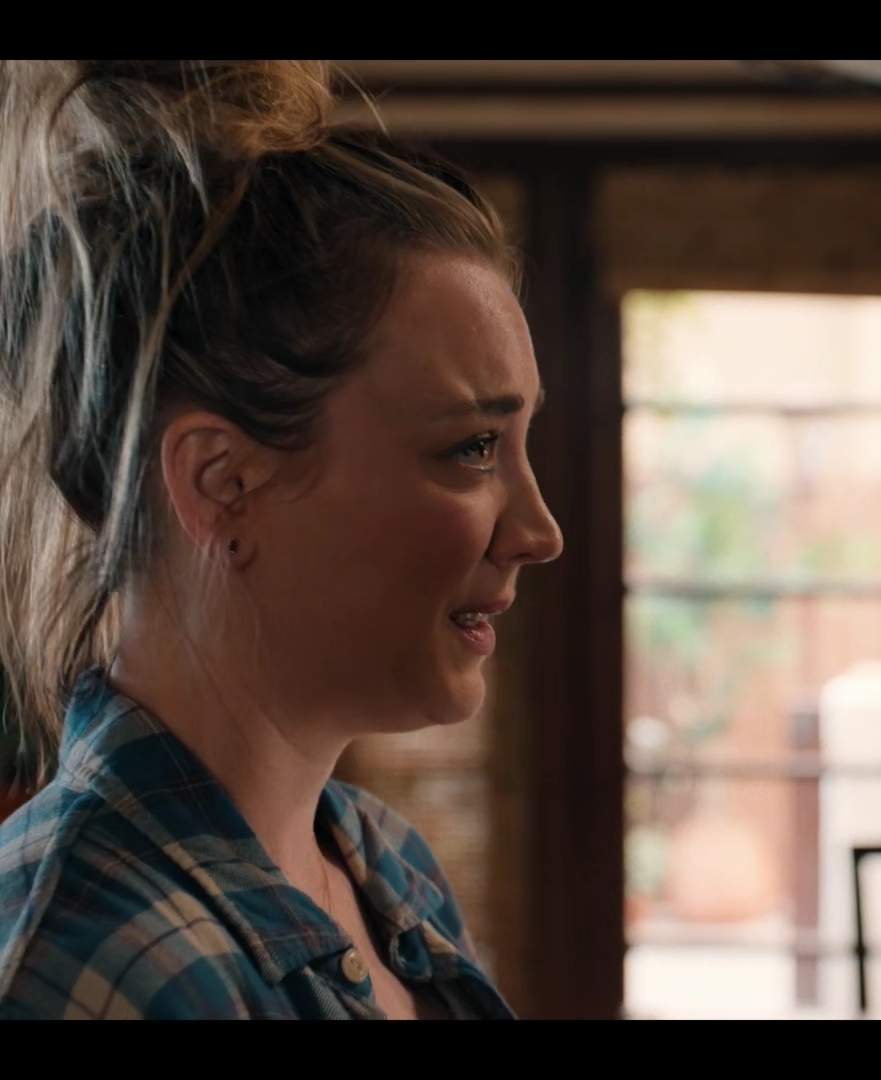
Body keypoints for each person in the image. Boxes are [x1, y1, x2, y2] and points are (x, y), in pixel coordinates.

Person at [0, 61, 562, 1018]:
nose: (540, 532)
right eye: (472, 448)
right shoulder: (86, 967)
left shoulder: (388, 868)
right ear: (221, 481)